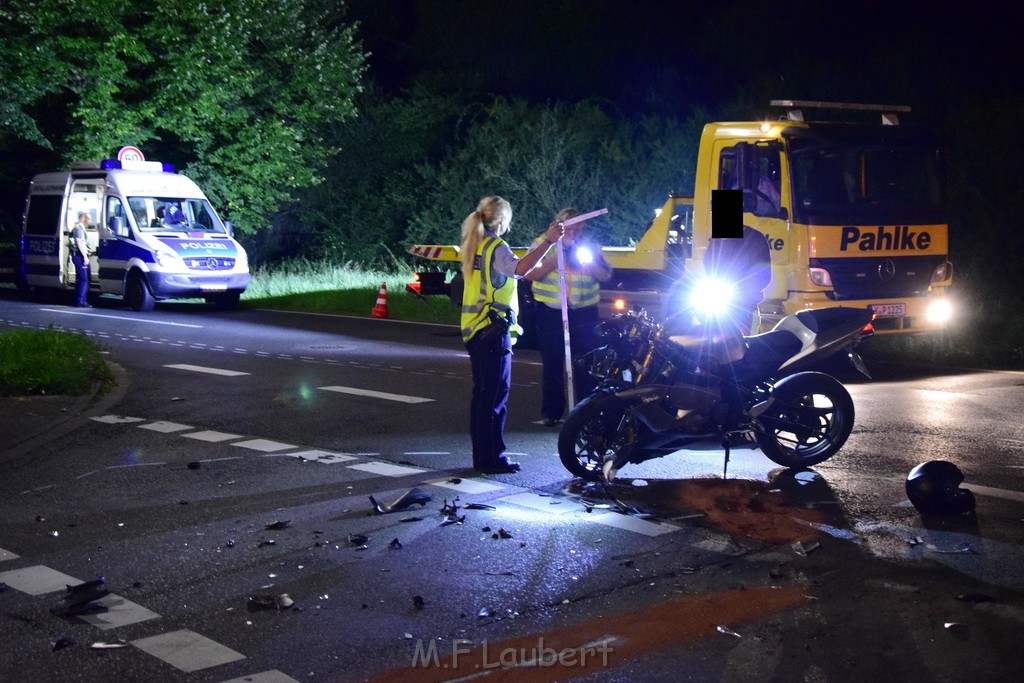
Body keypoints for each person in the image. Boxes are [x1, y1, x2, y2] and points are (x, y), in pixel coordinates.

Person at [461, 196, 563, 474]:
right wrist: (549, 242)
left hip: (475, 329)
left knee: (482, 398)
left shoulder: (475, 244)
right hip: (492, 330)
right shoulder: (496, 246)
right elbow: (521, 269)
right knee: (494, 399)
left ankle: (483, 458)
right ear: (503, 221)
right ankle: (492, 460)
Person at [525, 208, 613, 426]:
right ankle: (551, 413)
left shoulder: (589, 247)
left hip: (584, 313)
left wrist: (589, 264)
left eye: (578, 228)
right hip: (551, 312)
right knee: (553, 363)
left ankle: (585, 412)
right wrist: (555, 260)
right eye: (569, 227)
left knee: (586, 363)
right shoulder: (543, 244)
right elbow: (528, 273)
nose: (574, 232)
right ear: (559, 225)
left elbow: (606, 274)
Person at [70, 212, 92, 308]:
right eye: (89, 219)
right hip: (79, 256)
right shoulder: (79, 228)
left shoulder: (77, 227)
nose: (90, 221)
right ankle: (81, 301)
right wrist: (85, 257)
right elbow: (79, 242)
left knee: (79, 279)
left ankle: (78, 300)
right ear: (84, 218)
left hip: (77, 255)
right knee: (84, 279)